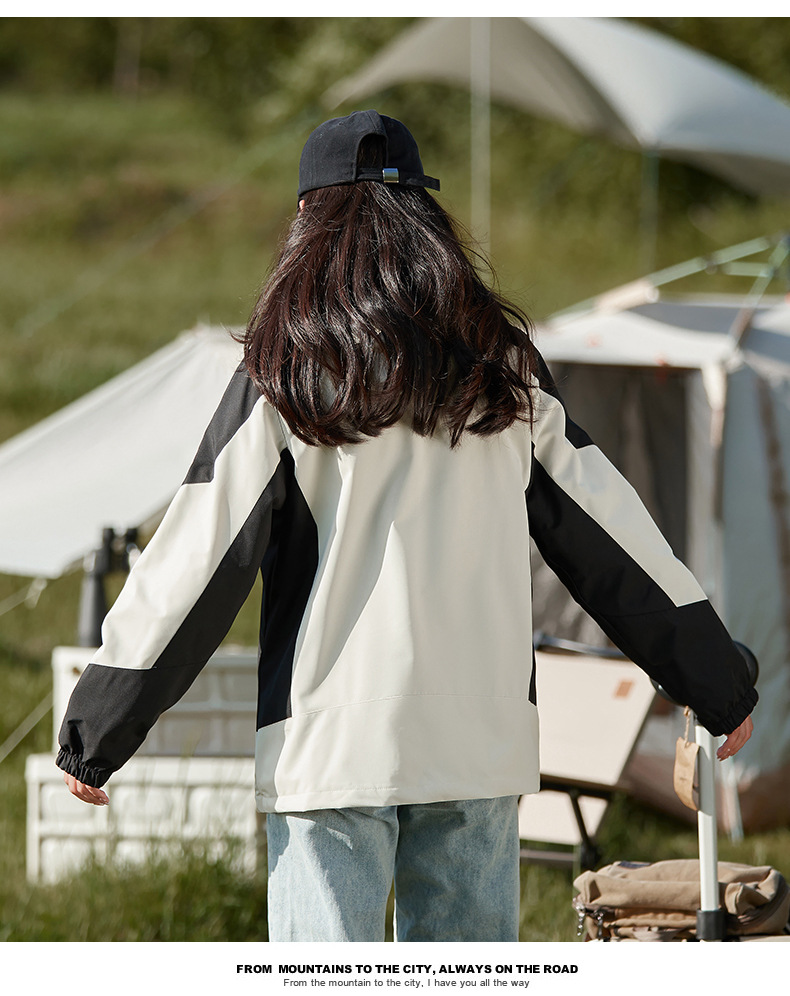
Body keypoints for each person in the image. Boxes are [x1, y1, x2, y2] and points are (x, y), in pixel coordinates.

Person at [58, 109, 756, 943]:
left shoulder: (285, 371)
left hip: (331, 744)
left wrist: (100, 726)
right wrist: (715, 680)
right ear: (427, 215)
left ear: (308, 219)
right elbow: (613, 541)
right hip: (477, 742)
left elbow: (197, 558)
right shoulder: (504, 367)